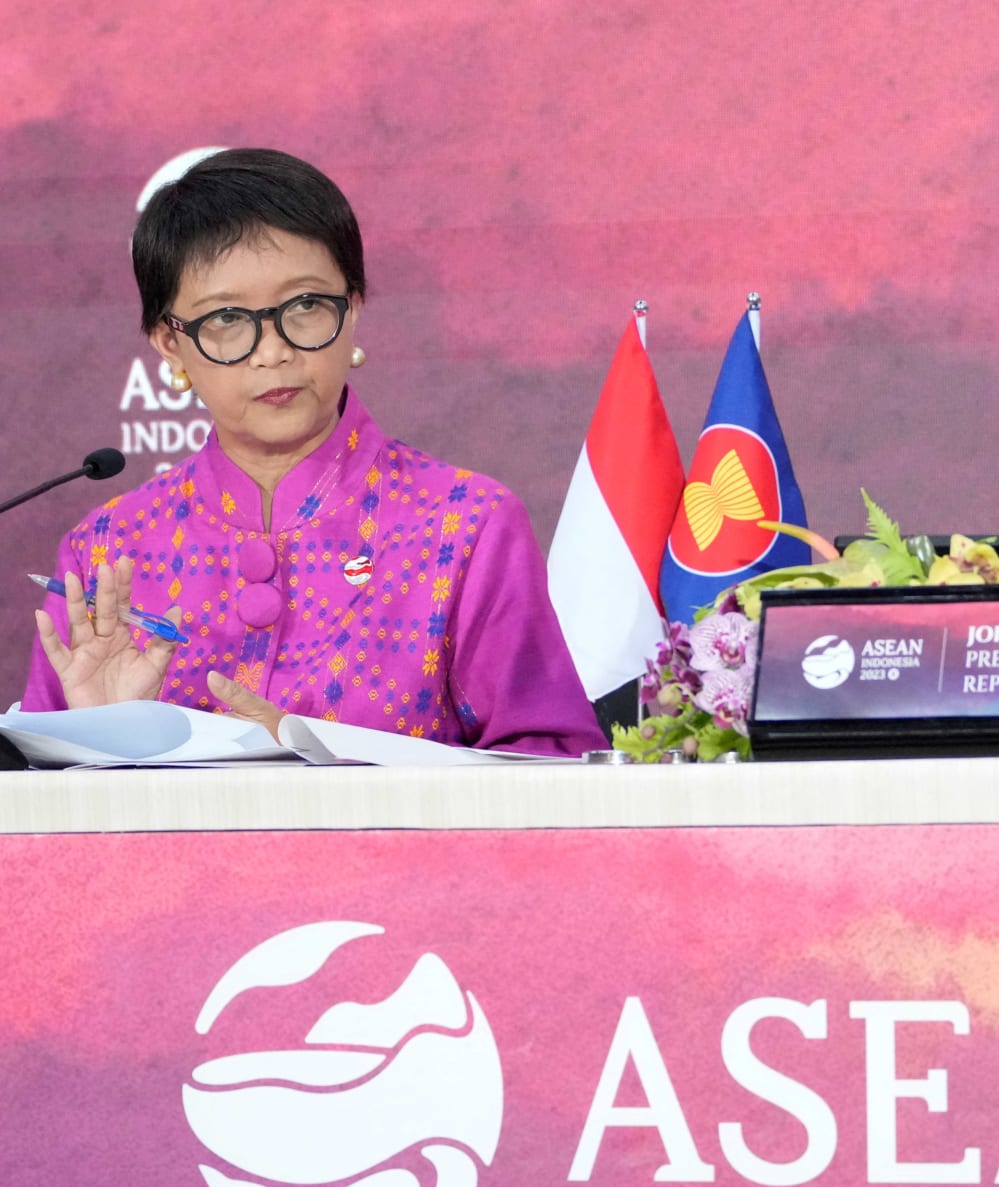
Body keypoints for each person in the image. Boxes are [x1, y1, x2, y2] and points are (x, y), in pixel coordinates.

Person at [22, 148, 605, 756]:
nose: (273, 351)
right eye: (226, 318)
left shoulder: (463, 524)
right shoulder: (107, 550)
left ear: (352, 308)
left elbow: (552, 767)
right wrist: (102, 744)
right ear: (170, 343)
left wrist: (321, 759)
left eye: (304, 307)